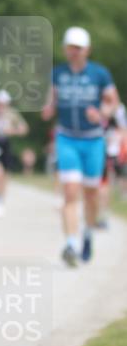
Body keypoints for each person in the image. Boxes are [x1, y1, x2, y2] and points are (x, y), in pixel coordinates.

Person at [42, 26, 119, 266]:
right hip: (67, 138)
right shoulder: (58, 73)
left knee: (91, 194)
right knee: (70, 191)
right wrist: (47, 107)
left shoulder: (99, 73)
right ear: (65, 49)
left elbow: (113, 102)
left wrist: (102, 113)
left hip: (93, 140)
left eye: (78, 48)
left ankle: (87, 233)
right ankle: (71, 244)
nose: (74, 52)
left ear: (87, 50)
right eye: (70, 47)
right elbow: (50, 99)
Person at [0, 89, 29, 217]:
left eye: (3, 103)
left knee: (4, 176)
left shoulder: (13, 114)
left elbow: (24, 129)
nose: (0, 106)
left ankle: (0, 199)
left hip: (7, 144)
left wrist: (12, 131)